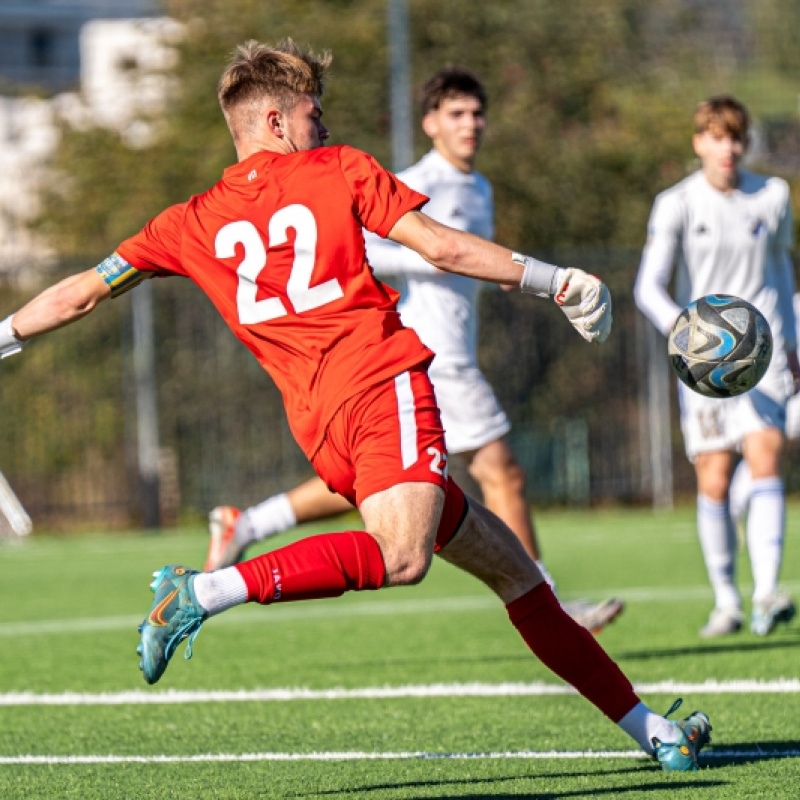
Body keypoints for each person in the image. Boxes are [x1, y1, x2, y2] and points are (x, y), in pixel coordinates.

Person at [0, 39, 710, 771]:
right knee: (403, 558)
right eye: (314, 113)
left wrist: (2, 337)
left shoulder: (187, 222)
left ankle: (652, 730)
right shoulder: (339, 170)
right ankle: (205, 590)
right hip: (383, 388)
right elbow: (441, 248)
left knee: (517, 574)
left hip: (322, 427)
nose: (325, 127)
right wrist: (555, 280)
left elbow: (79, 291)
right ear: (275, 121)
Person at [204, 66, 624, 634]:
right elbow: (360, 248)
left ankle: (250, 522)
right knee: (502, 472)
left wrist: (508, 272)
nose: (470, 124)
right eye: (456, 114)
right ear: (430, 124)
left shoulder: (478, 187)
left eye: (477, 114)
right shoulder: (419, 178)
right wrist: (452, 255)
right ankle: (547, 598)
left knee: (393, 490)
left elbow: (466, 255)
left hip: (448, 355)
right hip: (424, 357)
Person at [635, 95, 800, 638]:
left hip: (764, 351)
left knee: (767, 455)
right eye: (715, 136)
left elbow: (780, 273)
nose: (726, 148)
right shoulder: (676, 203)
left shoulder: (772, 197)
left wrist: (792, 345)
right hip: (704, 361)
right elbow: (647, 289)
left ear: (745, 144)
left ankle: (766, 594)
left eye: (735, 137)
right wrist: (687, 338)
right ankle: (726, 599)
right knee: (713, 474)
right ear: (698, 142)